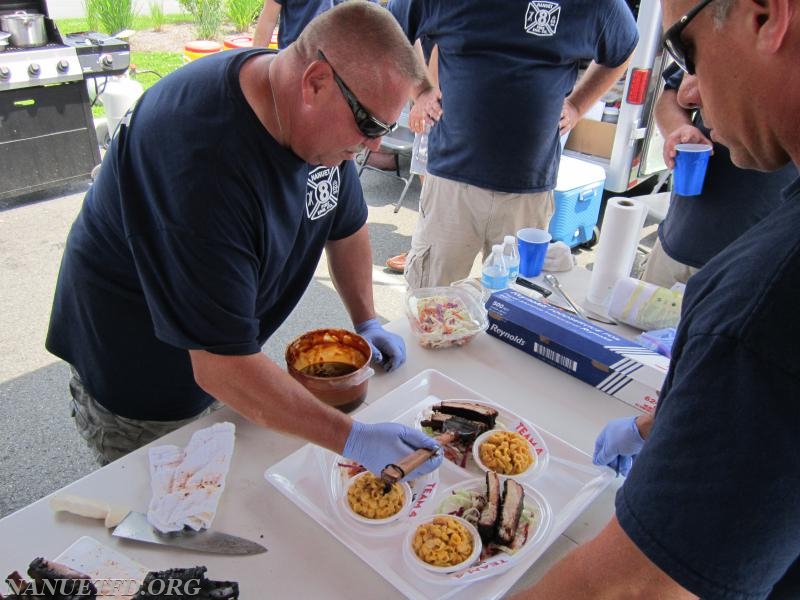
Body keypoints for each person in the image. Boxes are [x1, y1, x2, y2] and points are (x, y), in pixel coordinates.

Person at [45, 2, 444, 481]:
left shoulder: (318, 125)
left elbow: (345, 221)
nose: (375, 145)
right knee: (176, 521)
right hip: (142, 377)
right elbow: (221, 368)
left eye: (385, 127)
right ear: (315, 81)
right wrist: (352, 438)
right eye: (370, 126)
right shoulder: (201, 162)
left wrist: (367, 318)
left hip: (222, 350)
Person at [511, 0, 800, 597]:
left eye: (685, 51)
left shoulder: (766, 305)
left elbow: (631, 587)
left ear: (767, 16)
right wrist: (654, 423)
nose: (688, 86)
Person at [387, 0, 638, 289]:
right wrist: (420, 88)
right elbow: (392, 29)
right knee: (431, 300)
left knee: (514, 308)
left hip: (528, 191)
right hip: (452, 183)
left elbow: (623, 47)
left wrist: (578, 106)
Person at [640, 64, 796, 289]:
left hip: (752, 272)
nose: (689, 97)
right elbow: (672, 96)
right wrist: (679, 128)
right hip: (676, 246)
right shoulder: (711, 35)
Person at [253, 0, 377, 50]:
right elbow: (268, 18)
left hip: (342, 63)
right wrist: (254, 61)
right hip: (295, 59)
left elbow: (371, 17)